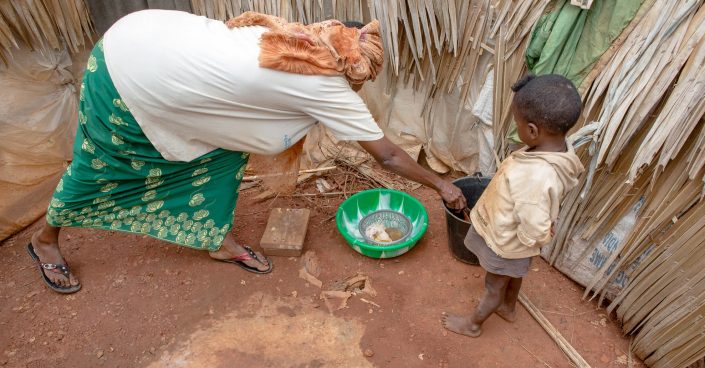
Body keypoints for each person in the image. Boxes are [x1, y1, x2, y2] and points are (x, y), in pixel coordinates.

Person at [28, 10, 466, 294]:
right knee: (103, 166)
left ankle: (217, 239)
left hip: (151, 33)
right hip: (127, 73)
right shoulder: (328, 87)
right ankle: (45, 240)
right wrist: (443, 186)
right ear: (352, 68)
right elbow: (387, 156)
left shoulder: (299, 37)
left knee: (224, 154)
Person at [441, 73, 583, 337]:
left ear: (532, 130)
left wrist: (533, 237)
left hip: (508, 243)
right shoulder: (556, 150)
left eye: (517, 123)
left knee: (493, 285)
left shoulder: (535, 176)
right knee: (514, 275)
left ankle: (473, 325)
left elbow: (533, 218)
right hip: (517, 246)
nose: (515, 128)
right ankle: (509, 307)